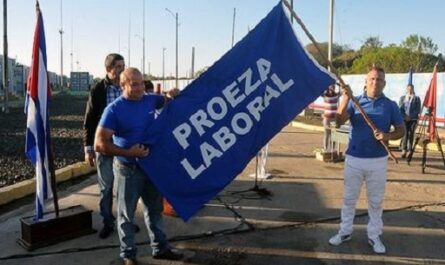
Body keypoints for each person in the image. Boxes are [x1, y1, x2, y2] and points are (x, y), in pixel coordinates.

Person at [94, 68, 183, 264]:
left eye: (142, 83)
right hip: (128, 169)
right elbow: (99, 144)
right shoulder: (114, 110)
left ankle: (160, 248)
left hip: (151, 167)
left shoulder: (150, 99)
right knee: (126, 215)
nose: (140, 88)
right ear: (122, 85)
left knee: (154, 210)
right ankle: (128, 255)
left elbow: (168, 101)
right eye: (134, 84)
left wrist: (171, 94)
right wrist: (128, 153)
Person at [329, 67, 405, 254]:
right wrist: (346, 98)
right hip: (354, 159)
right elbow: (338, 121)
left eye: (379, 79)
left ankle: (374, 235)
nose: (375, 82)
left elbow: (401, 130)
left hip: (378, 161)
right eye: (372, 78)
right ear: (366, 81)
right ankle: (345, 231)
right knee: (348, 199)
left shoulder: (390, 105)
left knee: (376, 202)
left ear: (384, 83)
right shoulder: (355, 102)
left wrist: (387, 136)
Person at [83, 53, 126, 239]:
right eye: (118, 67)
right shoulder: (98, 90)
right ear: (108, 69)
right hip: (105, 146)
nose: (122, 70)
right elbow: (89, 120)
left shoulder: (128, 86)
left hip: (125, 145)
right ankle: (108, 222)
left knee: (126, 187)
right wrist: (88, 149)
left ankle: (126, 223)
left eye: (123, 66)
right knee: (106, 187)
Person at [398, 84, 421, 158]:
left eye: (411, 89)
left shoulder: (417, 98)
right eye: (408, 89)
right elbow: (400, 108)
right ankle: (403, 149)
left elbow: (418, 109)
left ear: (413, 89)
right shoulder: (402, 98)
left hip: (413, 119)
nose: (410, 90)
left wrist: (410, 116)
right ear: (406, 89)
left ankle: (409, 150)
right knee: (405, 133)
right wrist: (405, 116)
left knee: (411, 133)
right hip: (404, 119)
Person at [322, 85, 339, 152]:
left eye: (333, 87)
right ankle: (326, 149)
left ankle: (333, 149)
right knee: (327, 134)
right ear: (328, 88)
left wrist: (340, 85)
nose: (332, 89)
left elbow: (342, 92)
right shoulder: (325, 96)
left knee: (334, 134)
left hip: (334, 118)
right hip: (327, 118)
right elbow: (321, 91)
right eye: (331, 88)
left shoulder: (336, 96)